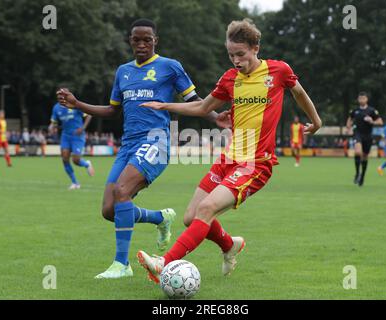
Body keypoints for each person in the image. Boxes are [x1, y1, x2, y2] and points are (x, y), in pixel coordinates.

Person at [137, 19, 322, 284]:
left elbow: (300, 94)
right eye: (231, 55)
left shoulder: (278, 71)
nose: (236, 60)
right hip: (229, 158)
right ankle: (229, 245)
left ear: (255, 48)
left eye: (241, 54)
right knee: (191, 217)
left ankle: (164, 263)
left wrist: (316, 122)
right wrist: (165, 106)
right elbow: (202, 108)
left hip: (256, 163)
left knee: (207, 207)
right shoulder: (230, 78)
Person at [56, 19, 231, 279]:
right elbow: (113, 110)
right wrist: (78, 104)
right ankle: (160, 218)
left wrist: (217, 119)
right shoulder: (123, 72)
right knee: (109, 210)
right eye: (136, 39)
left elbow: (196, 101)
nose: (141, 44)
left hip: (157, 141)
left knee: (122, 190)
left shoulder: (170, 67)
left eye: (146, 39)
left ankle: (121, 265)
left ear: (155, 41)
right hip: (128, 145)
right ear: (130, 41)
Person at [49, 99, 95, 189]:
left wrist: (83, 128)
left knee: (76, 160)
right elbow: (53, 122)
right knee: (65, 158)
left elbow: (89, 115)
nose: (61, 97)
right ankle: (75, 183)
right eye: (59, 95)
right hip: (65, 136)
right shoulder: (56, 108)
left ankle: (86, 164)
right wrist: (51, 127)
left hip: (77, 136)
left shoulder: (75, 104)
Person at [346, 92, 383, 186]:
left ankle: (362, 176)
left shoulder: (372, 111)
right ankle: (357, 173)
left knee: (365, 156)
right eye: (360, 98)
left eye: (363, 98)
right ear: (358, 100)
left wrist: (372, 121)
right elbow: (350, 119)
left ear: (366, 99)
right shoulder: (355, 110)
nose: (361, 100)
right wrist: (348, 128)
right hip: (357, 134)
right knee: (358, 152)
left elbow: (380, 122)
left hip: (368, 136)